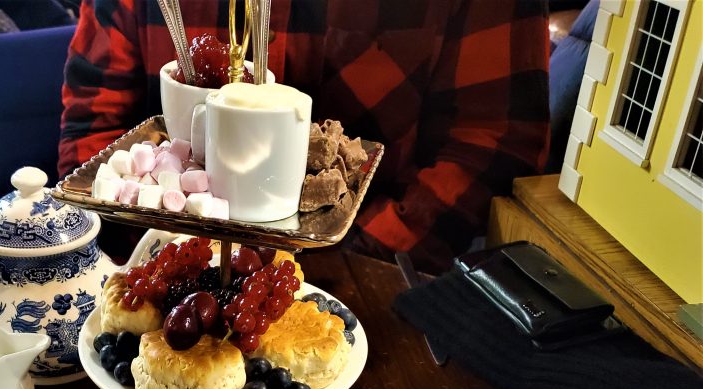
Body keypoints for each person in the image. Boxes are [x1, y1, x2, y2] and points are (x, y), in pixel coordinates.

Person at [58, 0, 551, 273]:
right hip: (151, 265)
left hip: (364, 279)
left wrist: (345, 272)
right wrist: (159, 256)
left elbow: (491, 143)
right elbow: (93, 126)